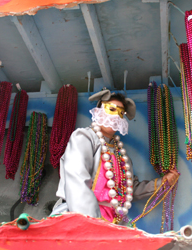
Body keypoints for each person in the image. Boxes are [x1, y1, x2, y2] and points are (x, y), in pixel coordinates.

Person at [52, 90, 179, 224]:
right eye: (111, 109)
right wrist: (91, 223)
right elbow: (77, 181)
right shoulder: (84, 137)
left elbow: (129, 190)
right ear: (99, 110)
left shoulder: (122, 156)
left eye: (121, 113)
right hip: (79, 217)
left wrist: (162, 183)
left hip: (113, 222)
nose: (116, 117)